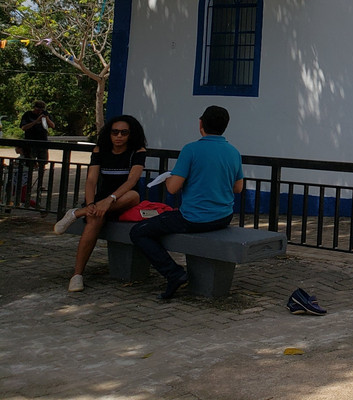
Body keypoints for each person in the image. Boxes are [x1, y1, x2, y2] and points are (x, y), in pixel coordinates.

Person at [130, 105, 244, 301]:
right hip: (223, 217)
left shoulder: (191, 149)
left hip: (193, 218)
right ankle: (174, 273)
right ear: (225, 126)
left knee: (139, 231)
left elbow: (173, 188)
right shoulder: (233, 152)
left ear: (201, 124)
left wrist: (168, 179)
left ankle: (173, 273)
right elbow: (238, 188)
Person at [52, 115, 147, 292]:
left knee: (134, 195)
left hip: (122, 200)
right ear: (109, 133)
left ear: (131, 134)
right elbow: (91, 181)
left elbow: (131, 181)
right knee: (94, 220)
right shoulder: (100, 150)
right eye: (115, 132)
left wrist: (110, 200)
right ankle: (77, 275)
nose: (119, 136)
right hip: (99, 202)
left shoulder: (138, 151)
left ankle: (76, 213)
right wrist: (90, 204)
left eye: (124, 132)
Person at [17, 100, 56, 203]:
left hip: (43, 143)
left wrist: (46, 118)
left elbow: (53, 126)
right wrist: (36, 121)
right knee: (30, 164)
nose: (39, 112)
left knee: (42, 164)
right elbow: (23, 127)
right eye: (37, 109)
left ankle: (40, 184)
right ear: (34, 108)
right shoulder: (27, 115)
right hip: (30, 144)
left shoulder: (46, 115)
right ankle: (27, 184)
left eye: (41, 110)